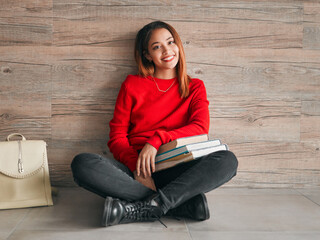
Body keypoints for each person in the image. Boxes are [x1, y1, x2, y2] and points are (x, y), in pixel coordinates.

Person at [71, 21, 238, 227]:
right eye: (157, 46)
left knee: (227, 160)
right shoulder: (132, 84)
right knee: (83, 164)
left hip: (178, 169)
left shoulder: (195, 87)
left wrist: (156, 140)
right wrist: (138, 169)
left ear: (178, 45)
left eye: (170, 42)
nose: (167, 50)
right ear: (148, 55)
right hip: (135, 171)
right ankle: (175, 204)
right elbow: (117, 137)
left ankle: (150, 205)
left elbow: (200, 128)